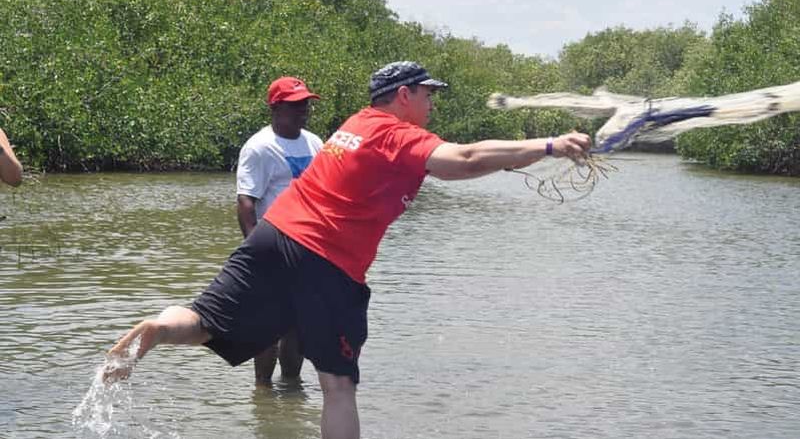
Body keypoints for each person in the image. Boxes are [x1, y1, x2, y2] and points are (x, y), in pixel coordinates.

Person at [106, 61, 592, 439]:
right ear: (404, 95)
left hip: (274, 237)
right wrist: (548, 145)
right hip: (328, 263)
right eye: (428, 95)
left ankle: (153, 330)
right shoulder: (395, 133)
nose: (432, 105)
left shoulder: (355, 124)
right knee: (337, 385)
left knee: (203, 323)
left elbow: (437, 161)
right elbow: (460, 159)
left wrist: (512, 157)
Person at [236, 76, 322, 385]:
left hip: (308, 248)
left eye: (306, 104)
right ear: (276, 108)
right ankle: (262, 392)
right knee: (267, 327)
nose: (304, 110)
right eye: (296, 105)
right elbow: (246, 203)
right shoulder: (259, 148)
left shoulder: (314, 143)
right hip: (273, 246)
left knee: (296, 325)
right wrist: (257, 252)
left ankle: (291, 389)